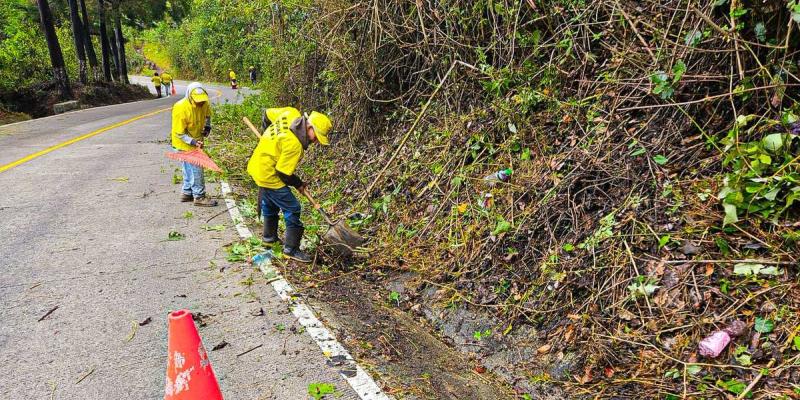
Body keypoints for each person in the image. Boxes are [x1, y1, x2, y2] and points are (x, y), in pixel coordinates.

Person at [247, 107, 332, 262]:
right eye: (317, 137)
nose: (316, 141)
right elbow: (284, 174)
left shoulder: (290, 113)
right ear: (309, 127)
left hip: (258, 165)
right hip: (269, 174)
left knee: (271, 202)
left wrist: (267, 138)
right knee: (292, 207)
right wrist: (298, 183)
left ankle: (269, 238)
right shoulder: (294, 145)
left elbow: (265, 113)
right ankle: (291, 249)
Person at [171, 82, 218, 207]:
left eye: (202, 101)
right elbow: (179, 133)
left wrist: (207, 127)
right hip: (183, 142)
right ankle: (199, 196)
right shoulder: (180, 108)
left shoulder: (204, 102)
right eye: (197, 101)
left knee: (188, 168)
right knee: (197, 168)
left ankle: (187, 193)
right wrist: (192, 141)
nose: (200, 103)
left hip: (196, 140)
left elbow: (207, 115)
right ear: (190, 97)